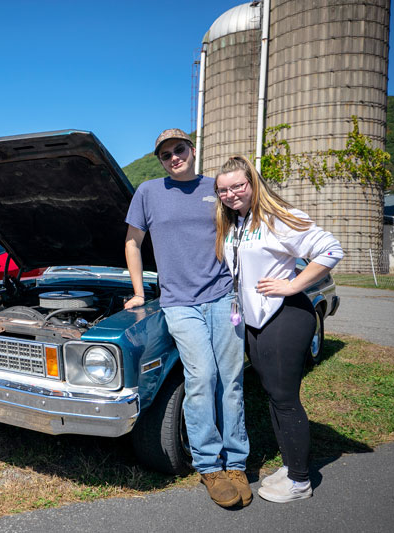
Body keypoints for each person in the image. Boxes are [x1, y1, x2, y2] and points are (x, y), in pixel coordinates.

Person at [124, 129, 250, 508]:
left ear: (192, 151)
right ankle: (210, 466)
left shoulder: (219, 189)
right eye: (166, 154)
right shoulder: (148, 191)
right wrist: (139, 292)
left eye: (179, 149)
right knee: (202, 377)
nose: (174, 157)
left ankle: (238, 463)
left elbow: (250, 225)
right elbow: (132, 242)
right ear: (160, 160)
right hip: (179, 303)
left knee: (232, 380)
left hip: (223, 297)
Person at [214, 155, 343, 503]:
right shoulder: (237, 222)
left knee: (285, 399)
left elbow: (330, 248)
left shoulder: (276, 217)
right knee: (273, 394)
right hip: (254, 321)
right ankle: (291, 466)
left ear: (253, 183)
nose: (231, 194)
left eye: (238, 185)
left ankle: (300, 481)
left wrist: (292, 284)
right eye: (223, 189)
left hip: (285, 315)